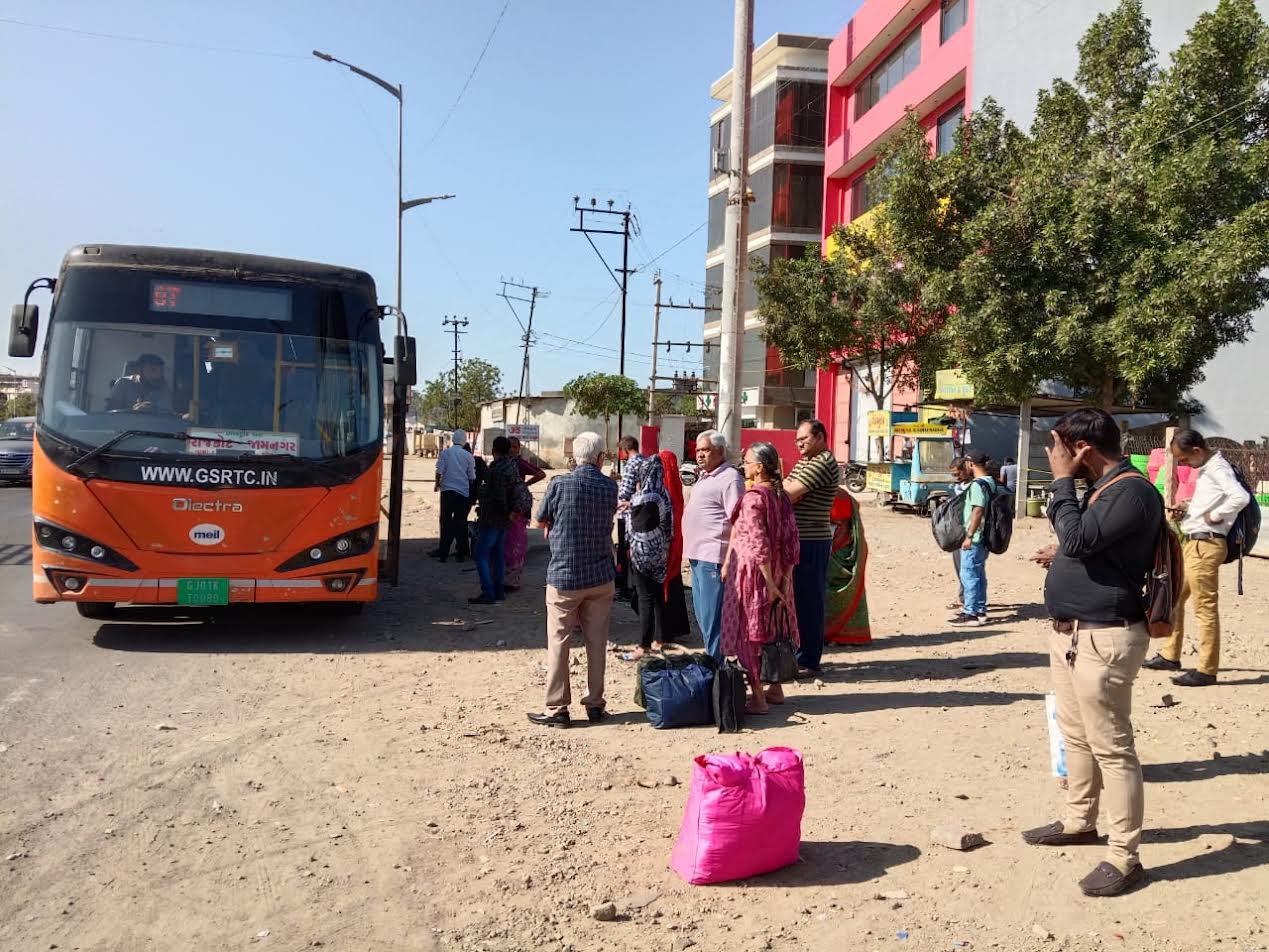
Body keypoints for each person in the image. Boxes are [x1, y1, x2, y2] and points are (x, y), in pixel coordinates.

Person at [1024, 407, 1161, 897]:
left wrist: (1062, 482)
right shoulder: (1103, 489)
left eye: (1060, 449)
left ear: (1083, 449)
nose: (1054, 457)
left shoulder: (1133, 491)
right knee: (1076, 735)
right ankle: (1079, 820)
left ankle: (1125, 857)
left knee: (1112, 748)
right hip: (1071, 634)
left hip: (1106, 636)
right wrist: (1061, 551)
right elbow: (1085, 542)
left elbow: (1080, 538)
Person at [1143, 429, 1249, 686]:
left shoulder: (1218, 468)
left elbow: (1241, 497)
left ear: (1197, 451)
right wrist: (1189, 508)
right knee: (1176, 598)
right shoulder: (1208, 467)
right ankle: (1170, 655)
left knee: (1204, 609)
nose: (1184, 464)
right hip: (1195, 543)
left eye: (1184, 459)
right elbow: (1212, 499)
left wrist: (1216, 516)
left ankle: (1206, 670)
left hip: (1206, 545)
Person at [528, 431, 619, 728]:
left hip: (565, 576)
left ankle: (558, 708)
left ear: (574, 457)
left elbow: (539, 520)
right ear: (600, 458)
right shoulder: (610, 487)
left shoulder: (559, 484)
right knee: (597, 643)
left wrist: (554, 525)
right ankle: (595, 704)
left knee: (559, 642)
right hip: (601, 575)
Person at [722, 443, 800, 715]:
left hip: (754, 574)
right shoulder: (780, 496)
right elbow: (792, 540)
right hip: (778, 571)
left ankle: (758, 697)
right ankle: (775, 689)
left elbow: (758, 543)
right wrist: (784, 580)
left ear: (760, 467)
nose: (743, 465)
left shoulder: (754, 498)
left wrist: (767, 581)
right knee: (774, 630)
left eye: (747, 461)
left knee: (750, 634)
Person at [784, 419, 843, 674]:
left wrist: (788, 492)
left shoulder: (822, 462)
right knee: (797, 600)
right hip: (800, 538)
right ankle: (800, 654)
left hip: (812, 539)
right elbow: (786, 488)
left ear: (819, 437)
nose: (799, 444)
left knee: (809, 601)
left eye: (804, 439)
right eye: (797, 440)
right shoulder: (806, 461)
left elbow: (786, 494)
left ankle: (808, 660)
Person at [682, 430, 745, 660]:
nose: (699, 454)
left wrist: (728, 561)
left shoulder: (730, 478)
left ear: (719, 451)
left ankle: (716, 668)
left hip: (714, 559)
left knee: (712, 619)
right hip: (697, 556)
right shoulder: (705, 476)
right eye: (697, 450)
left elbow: (739, 522)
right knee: (703, 616)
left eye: (705, 450)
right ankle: (713, 663)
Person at [623, 453, 673, 659]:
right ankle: (659, 639)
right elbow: (669, 526)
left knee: (645, 598)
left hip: (641, 555)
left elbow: (633, 528)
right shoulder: (665, 494)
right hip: (660, 553)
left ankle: (643, 645)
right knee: (658, 595)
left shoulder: (640, 497)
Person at [469, 436, 518, 606]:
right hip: (504, 519)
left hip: (492, 518)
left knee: (481, 555)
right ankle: (498, 592)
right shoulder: (512, 466)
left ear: (494, 450)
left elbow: (498, 496)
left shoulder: (496, 469)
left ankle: (488, 593)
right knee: (498, 556)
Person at [950, 452, 994, 627]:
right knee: (979, 574)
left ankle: (970, 614)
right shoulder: (990, 482)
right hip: (984, 537)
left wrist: (969, 536)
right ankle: (980, 610)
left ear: (970, 464)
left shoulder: (977, 485)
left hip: (975, 537)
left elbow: (977, 510)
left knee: (969, 575)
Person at [825, 492, 871, 644]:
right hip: (845, 549)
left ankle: (831, 633)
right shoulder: (846, 496)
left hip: (836, 551)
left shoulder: (831, 497)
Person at [504, 436, 546, 591]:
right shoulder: (502, 463)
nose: (511, 449)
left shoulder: (518, 463)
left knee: (515, 542)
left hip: (517, 507)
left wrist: (524, 484)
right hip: (504, 507)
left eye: (515, 447)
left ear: (518, 449)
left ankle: (512, 580)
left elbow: (541, 474)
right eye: (509, 446)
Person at [431, 429, 475, 563]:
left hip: (447, 492)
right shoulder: (468, 456)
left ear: (453, 439)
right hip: (462, 493)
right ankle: (461, 554)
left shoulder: (445, 453)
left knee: (445, 522)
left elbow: (439, 471)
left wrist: (437, 484)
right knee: (460, 522)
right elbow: (471, 477)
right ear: (464, 441)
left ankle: (443, 553)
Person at [946, 456, 971, 613]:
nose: (956, 477)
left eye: (957, 474)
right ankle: (964, 597)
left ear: (965, 469)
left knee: (968, 569)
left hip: (969, 534)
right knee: (960, 567)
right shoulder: (958, 487)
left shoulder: (974, 486)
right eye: (953, 475)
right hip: (958, 532)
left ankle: (967, 601)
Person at [107, 353, 172, 412]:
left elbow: (167, 415)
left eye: (161, 371)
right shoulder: (122, 384)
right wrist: (134, 411)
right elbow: (110, 415)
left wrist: (154, 411)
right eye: (153, 370)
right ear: (139, 370)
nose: (158, 375)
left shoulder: (163, 388)